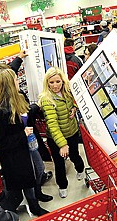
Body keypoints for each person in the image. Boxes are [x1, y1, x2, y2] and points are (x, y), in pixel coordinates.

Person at [0, 69, 51, 215]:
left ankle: (38, 194)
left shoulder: (19, 98)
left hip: (29, 146)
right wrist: (22, 135)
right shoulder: (1, 112)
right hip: (16, 156)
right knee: (27, 180)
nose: (18, 81)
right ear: (9, 85)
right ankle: (34, 205)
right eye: (16, 80)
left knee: (38, 169)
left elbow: (27, 114)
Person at [38, 67, 85, 198]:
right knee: (59, 163)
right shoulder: (46, 99)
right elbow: (52, 125)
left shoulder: (68, 92)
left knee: (75, 155)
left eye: (58, 81)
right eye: (51, 82)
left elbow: (76, 101)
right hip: (56, 138)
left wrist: (74, 108)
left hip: (72, 132)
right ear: (47, 83)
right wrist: (63, 144)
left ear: (63, 81)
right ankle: (62, 186)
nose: (55, 85)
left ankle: (81, 170)